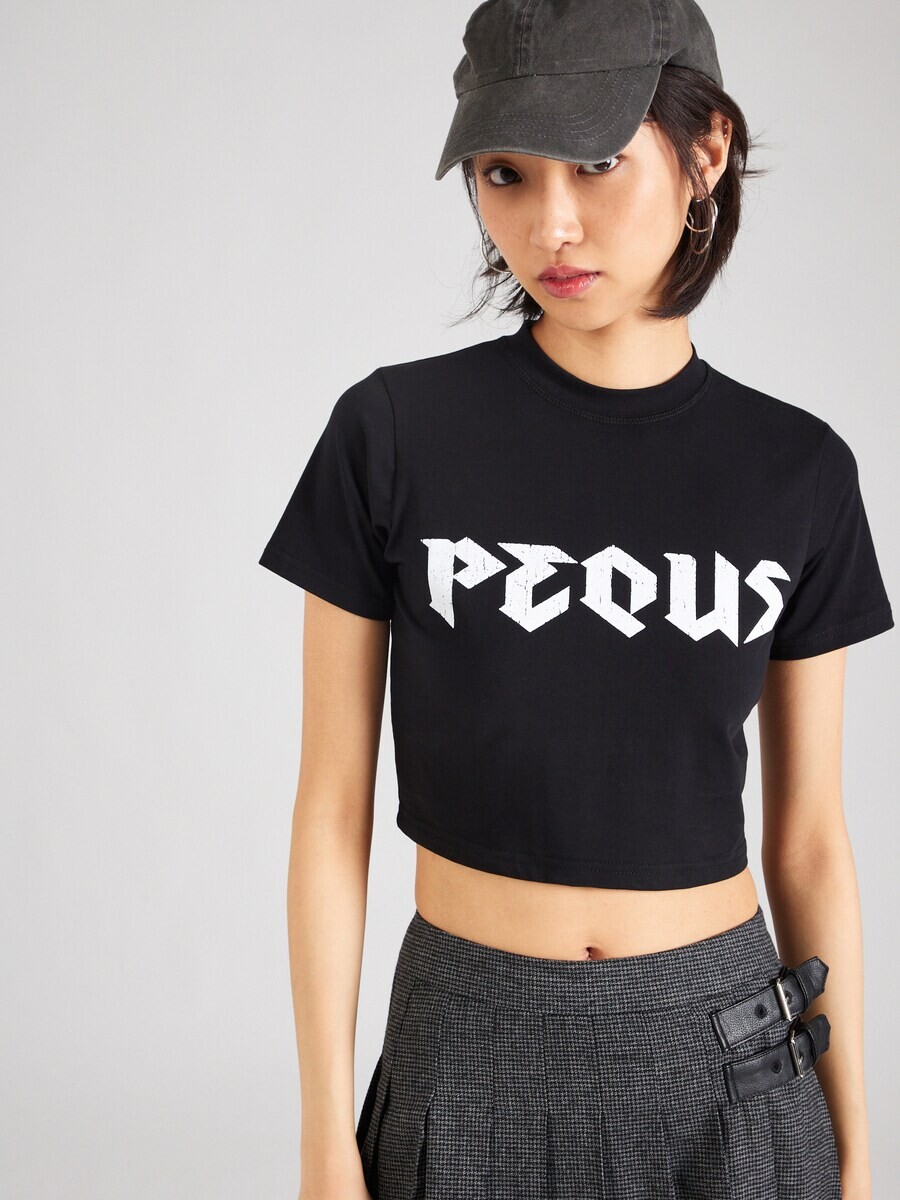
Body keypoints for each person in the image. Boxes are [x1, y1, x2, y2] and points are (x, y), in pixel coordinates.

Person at [258, 2, 893, 1196]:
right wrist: (322, 1137)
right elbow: (331, 810)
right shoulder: (391, 435)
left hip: (725, 1062)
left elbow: (809, 838)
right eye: (506, 173)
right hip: (466, 1047)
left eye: (597, 162)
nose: (549, 224)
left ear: (706, 151)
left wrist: (859, 1149)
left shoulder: (798, 471)